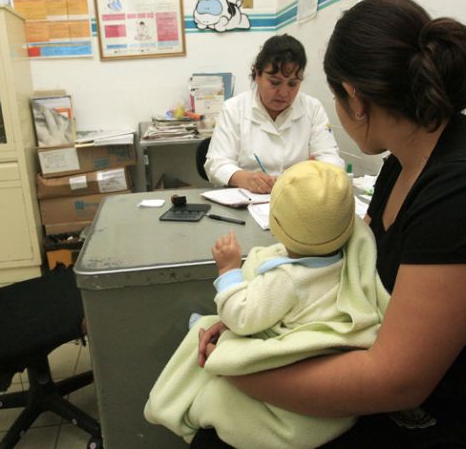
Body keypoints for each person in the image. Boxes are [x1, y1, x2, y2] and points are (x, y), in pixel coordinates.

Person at [193, 0, 466, 448]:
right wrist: (258, 325)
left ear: (355, 99)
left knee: (218, 430)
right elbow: (359, 277)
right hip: (424, 380)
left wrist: (238, 367)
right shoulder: (404, 161)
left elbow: (396, 382)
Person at [144, 161, 390, 449]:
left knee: (206, 344)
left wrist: (229, 271)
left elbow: (242, 316)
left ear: (276, 223)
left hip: (290, 397)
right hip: (334, 383)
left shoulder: (285, 279)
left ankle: (179, 406)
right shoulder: (353, 254)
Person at [203, 34, 345, 194]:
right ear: (257, 75)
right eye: (275, 82)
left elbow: (330, 158)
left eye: (293, 84)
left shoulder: (312, 108)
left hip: (299, 198)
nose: (284, 93)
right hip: (249, 200)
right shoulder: (234, 108)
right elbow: (216, 164)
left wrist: (320, 171)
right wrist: (247, 179)